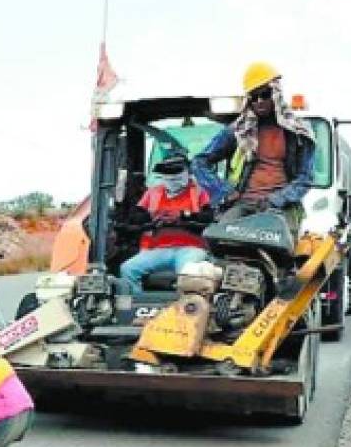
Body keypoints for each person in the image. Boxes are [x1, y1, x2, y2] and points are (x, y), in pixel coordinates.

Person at [191, 62, 315, 239]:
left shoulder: (298, 132)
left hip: (280, 206)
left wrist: (276, 199)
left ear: (276, 93)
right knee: (217, 239)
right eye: (254, 97)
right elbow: (199, 162)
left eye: (264, 95)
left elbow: (305, 178)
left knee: (275, 245)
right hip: (243, 203)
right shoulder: (239, 130)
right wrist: (223, 191)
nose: (259, 102)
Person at [118, 150, 212, 293]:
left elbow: (208, 217)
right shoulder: (153, 193)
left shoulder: (199, 192)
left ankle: (186, 310)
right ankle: (138, 305)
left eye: (177, 171)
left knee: (188, 274)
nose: (173, 176)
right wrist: (154, 217)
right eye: (168, 172)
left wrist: (182, 216)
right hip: (159, 248)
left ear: (187, 171)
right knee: (128, 269)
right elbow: (136, 218)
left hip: (191, 248)